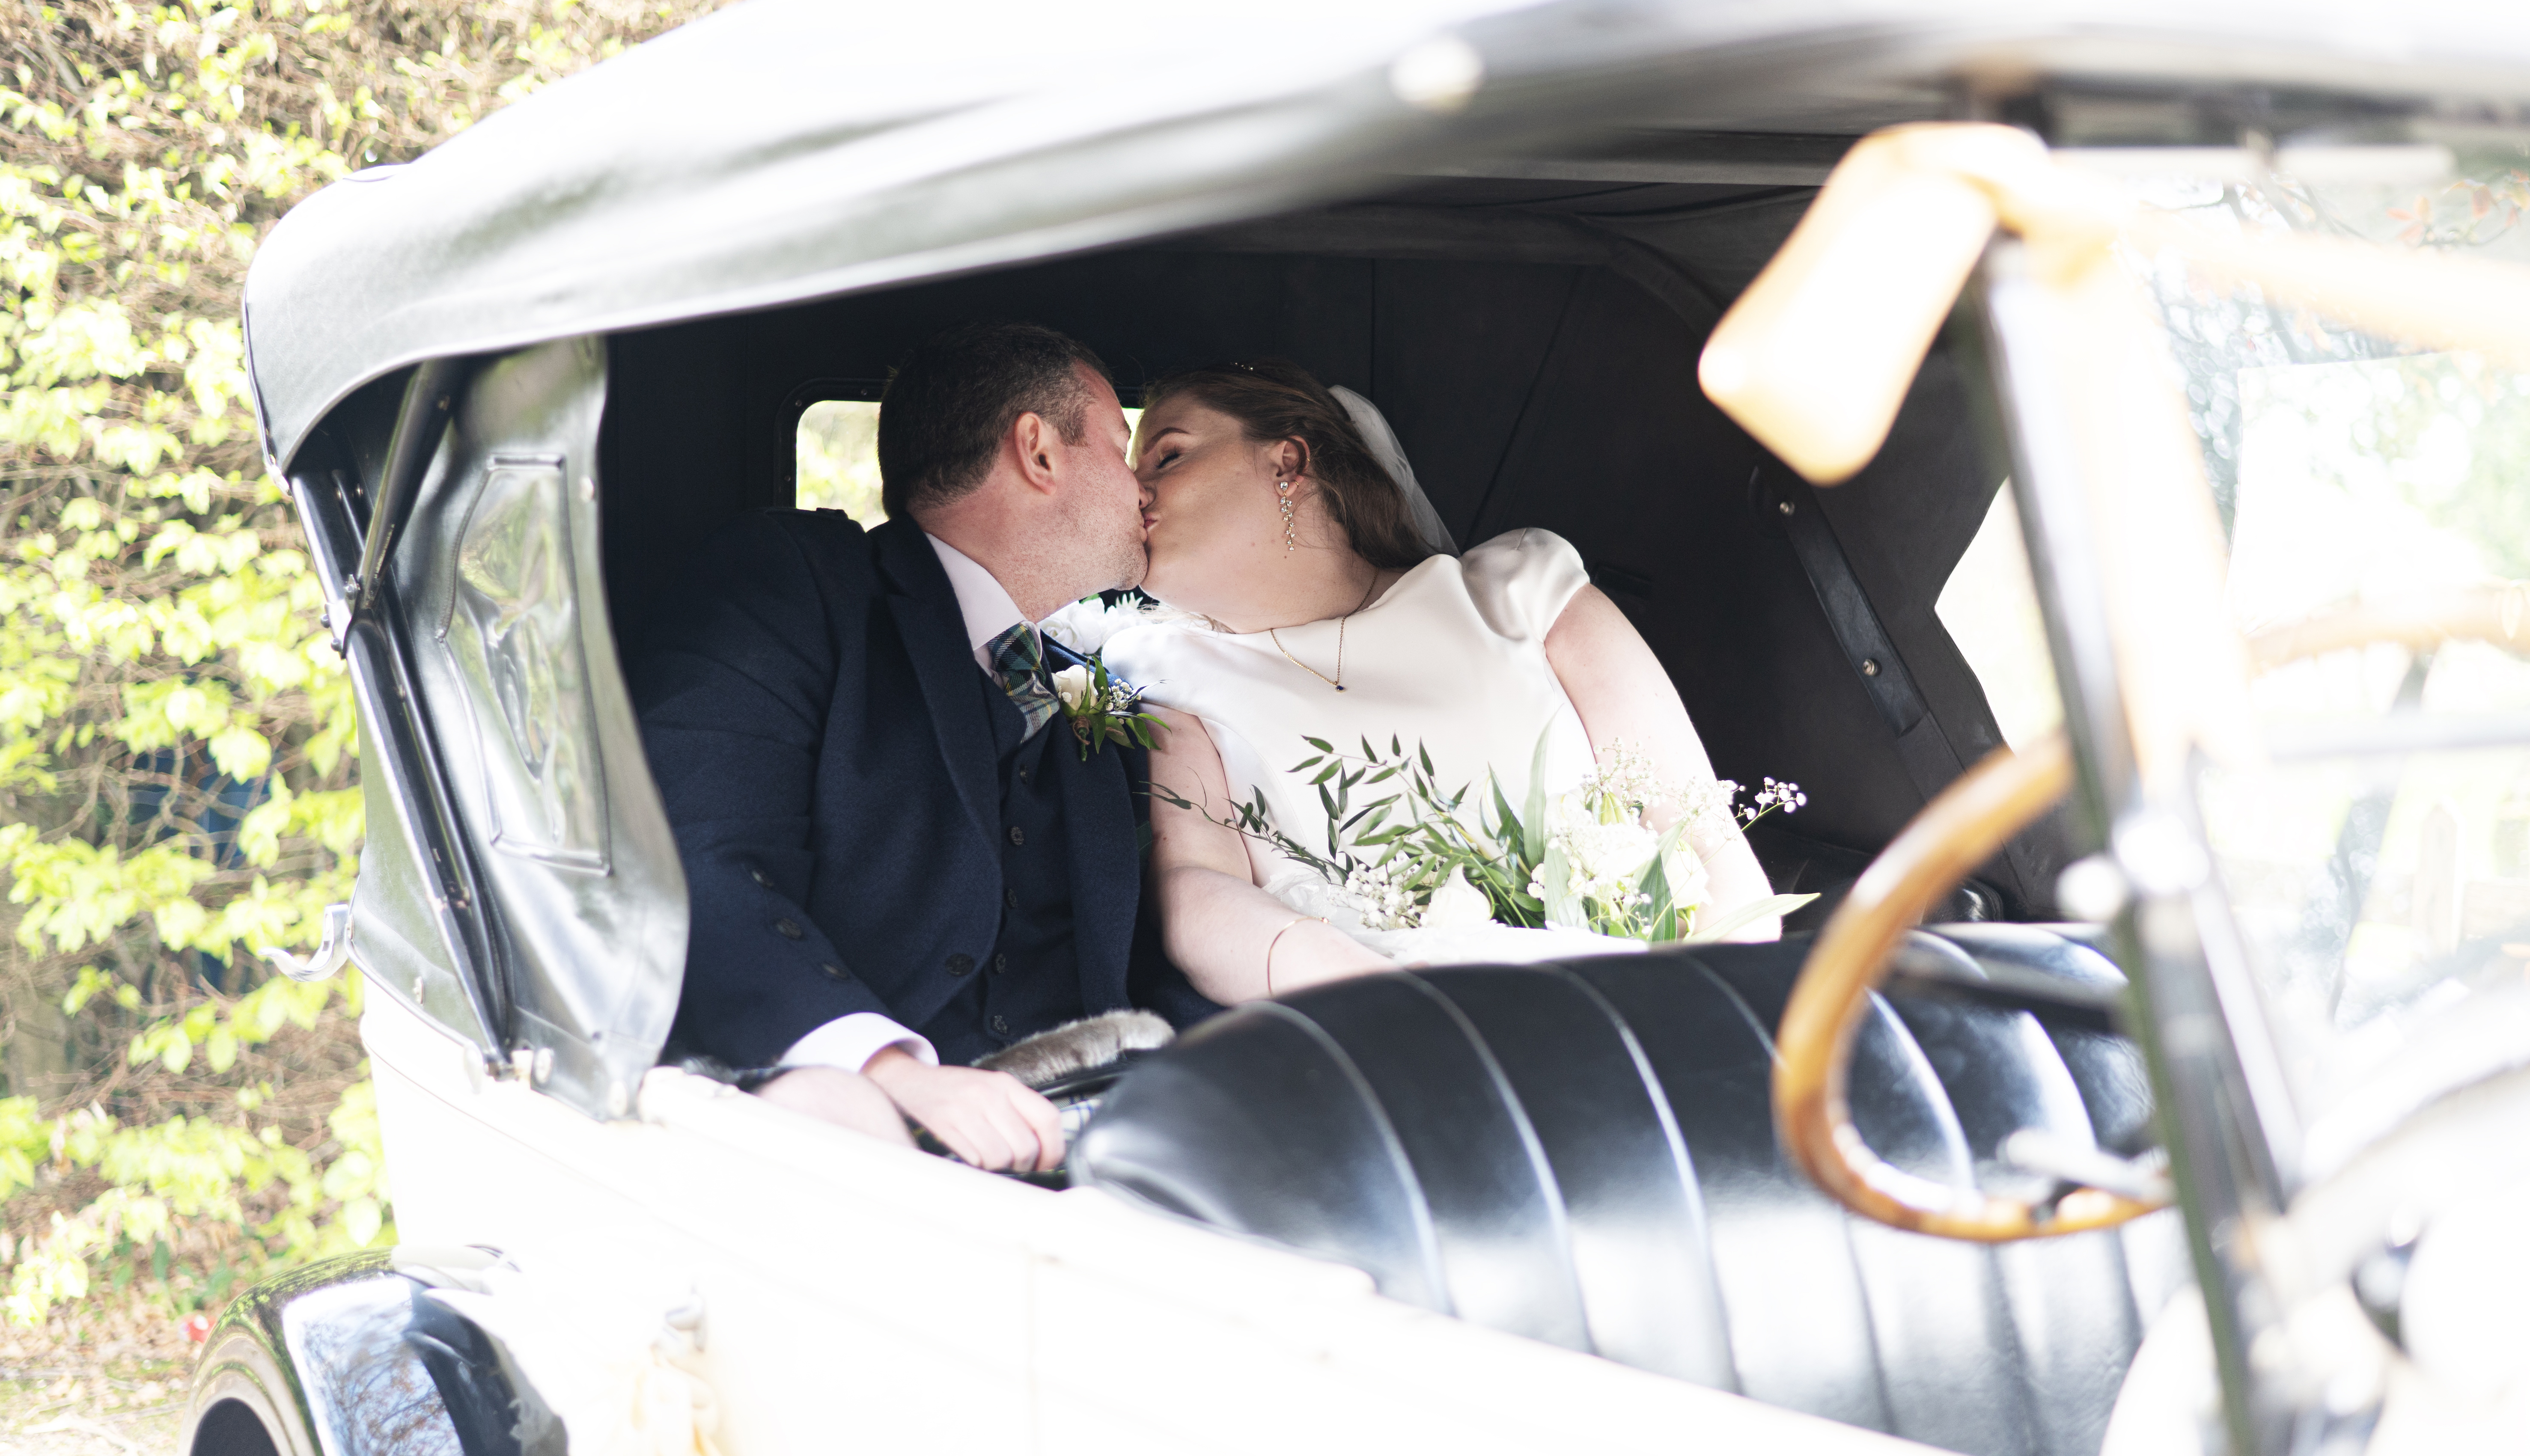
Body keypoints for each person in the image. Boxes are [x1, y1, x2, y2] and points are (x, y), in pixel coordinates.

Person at [633, 322, 1205, 1173]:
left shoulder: (1102, 685)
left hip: (1098, 1147)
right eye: (1123, 453)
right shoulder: (795, 586)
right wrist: (895, 1075)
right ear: (1039, 453)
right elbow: (690, 867)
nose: (1144, 495)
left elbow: (1160, 951)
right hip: (851, 1140)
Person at [1092, 359, 1781, 1005]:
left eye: (1169, 455)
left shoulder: (1526, 593)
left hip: (1636, 1014)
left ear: (1289, 462)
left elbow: (1706, 843)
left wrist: (1702, 1018)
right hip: (1389, 1049)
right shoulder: (1168, 681)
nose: (1135, 489)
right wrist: (1393, 1000)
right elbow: (1196, 889)